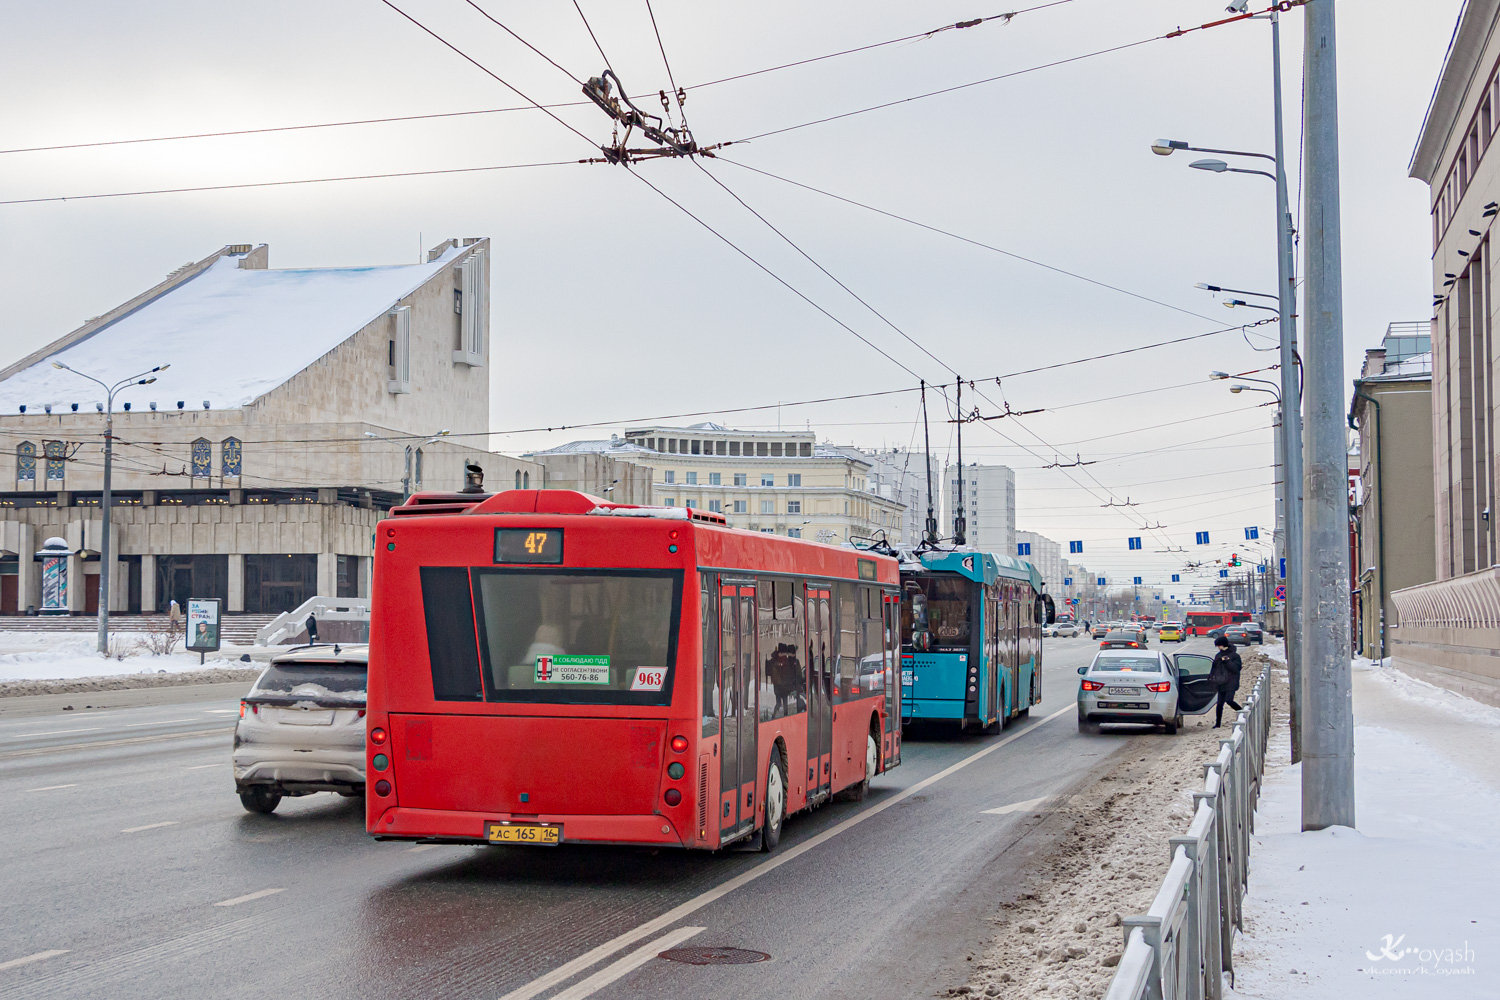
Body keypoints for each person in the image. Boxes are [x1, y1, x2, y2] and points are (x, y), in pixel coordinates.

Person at [1208, 636, 1243, 728]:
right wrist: (1211, 677)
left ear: (1223, 645)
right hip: (1221, 682)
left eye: (1219, 645)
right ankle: (1217, 724)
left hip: (1231, 682)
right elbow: (1214, 668)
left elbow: (1236, 669)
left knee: (1229, 700)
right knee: (1219, 704)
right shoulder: (1218, 655)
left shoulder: (1235, 656)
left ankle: (1243, 713)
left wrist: (1227, 662)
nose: (1218, 647)